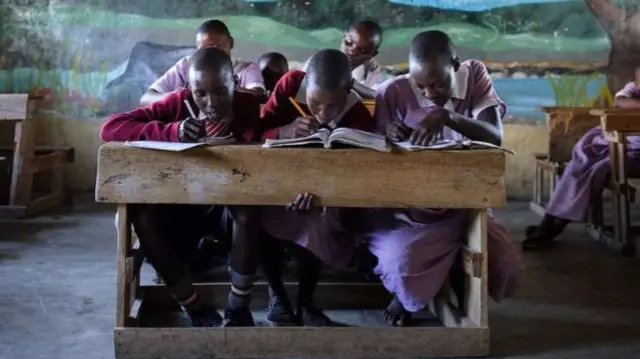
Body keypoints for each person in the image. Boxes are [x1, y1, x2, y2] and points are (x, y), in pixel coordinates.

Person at [101, 47, 262, 327]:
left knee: (249, 209)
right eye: (201, 93)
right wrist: (171, 131)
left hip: (228, 211)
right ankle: (193, 305)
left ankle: (239, 307)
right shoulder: (178, 103)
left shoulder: (249, 106)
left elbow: (273, 133)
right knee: (142, 216)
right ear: (189, 88)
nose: (211, 103)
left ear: (234, 83)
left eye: (221, 91)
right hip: (185, 210)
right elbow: (111, 128)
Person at [368, 30, 521, 326]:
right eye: (420, 85)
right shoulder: (392, 92)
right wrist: (388, 134)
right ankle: (417, 291)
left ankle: (448, 292)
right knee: (401, 262)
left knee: (505, 263)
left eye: (437, 83)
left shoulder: (474, 75)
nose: (429, 93)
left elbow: (495, 137)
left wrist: (449, 117)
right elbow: (378, 151)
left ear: (455, 64)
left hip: (466, 203)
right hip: (414, 210)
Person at [258, 49, 374, 326]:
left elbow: (360, 168)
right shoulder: (290, 85)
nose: (322, 113)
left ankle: (306, 301)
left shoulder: (359, 111)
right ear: (306, 83)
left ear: (347, 90)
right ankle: (277, 296)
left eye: (332, 106)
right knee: (255, 211)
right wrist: (283, 131)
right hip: (277, 182)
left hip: (325, 193)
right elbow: (255, 131)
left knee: (317, 218)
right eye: (314, 103)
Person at [522, 72, 640, 249]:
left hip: (634, 154)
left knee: (599, 169)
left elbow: (624, 105)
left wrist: (632, 106)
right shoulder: (633, 88)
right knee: (577, 166)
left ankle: (555, 225)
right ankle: (550, 222)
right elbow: (619, 101)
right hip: (617, 145)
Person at [140, 19, 265, 105]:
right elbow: (146, 98)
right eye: (203, 50)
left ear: (231, 43)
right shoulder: (186, 66)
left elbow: (258, 96)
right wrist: (185, 96)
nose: (210, 55)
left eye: (216, 47)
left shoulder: (246, 68)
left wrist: (217, 92)